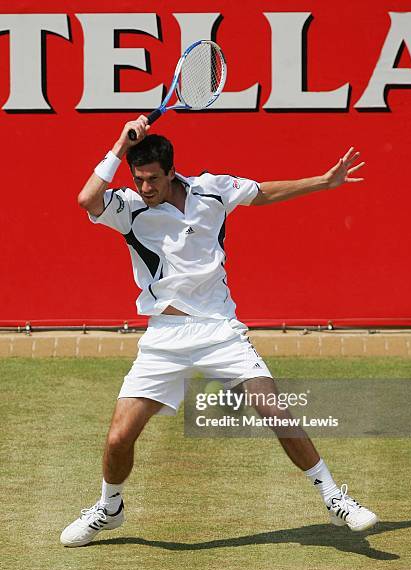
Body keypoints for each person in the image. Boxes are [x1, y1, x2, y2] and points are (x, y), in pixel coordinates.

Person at [60, 115, 377, 547]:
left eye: (153, 179)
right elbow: (85, 199)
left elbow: (262, 193)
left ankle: (335, 498)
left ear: (172, 172)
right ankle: (109, 507)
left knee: (274, 409)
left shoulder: (212, 189)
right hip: (164, 339)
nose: (145, 188)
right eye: (139, 179)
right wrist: (118, 146)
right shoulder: (128, 209)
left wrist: (323, 182)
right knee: (118, 438)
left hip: (219, 330)